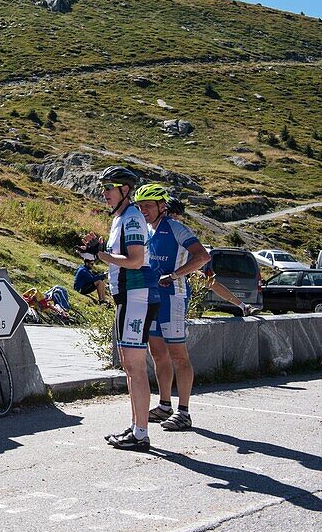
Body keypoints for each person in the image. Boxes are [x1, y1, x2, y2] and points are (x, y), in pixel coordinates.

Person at [78, 166, 159, 451]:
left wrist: (100, 254)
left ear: (125, 190)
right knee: (129, 365)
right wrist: (98, 251)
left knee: (135, 366)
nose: (104, 193)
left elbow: (135, 260)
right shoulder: (121, 218)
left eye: (108, 188)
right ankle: (137, 427)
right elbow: (120, 257)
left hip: (136, 294)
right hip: (128, 296)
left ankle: (140, 433)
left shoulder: (132, 218)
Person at [134, 184, 211, 432]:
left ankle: (184, 411)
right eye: (139, 206)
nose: (143, 210)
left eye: (147, 205)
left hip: (173, 299)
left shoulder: (176, 228)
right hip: (152, 298)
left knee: (178, 355)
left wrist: (175, 274)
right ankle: (165, 404)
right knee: (157, 353)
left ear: (161, 206)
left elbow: (202, 257)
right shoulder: (146, 229)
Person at [167, 199, 258, 316]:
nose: (175, 218)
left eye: (177, 215)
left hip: (183, 269)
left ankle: (243, 306)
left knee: (211, 282)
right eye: (173, 214)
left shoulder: (179, 229)